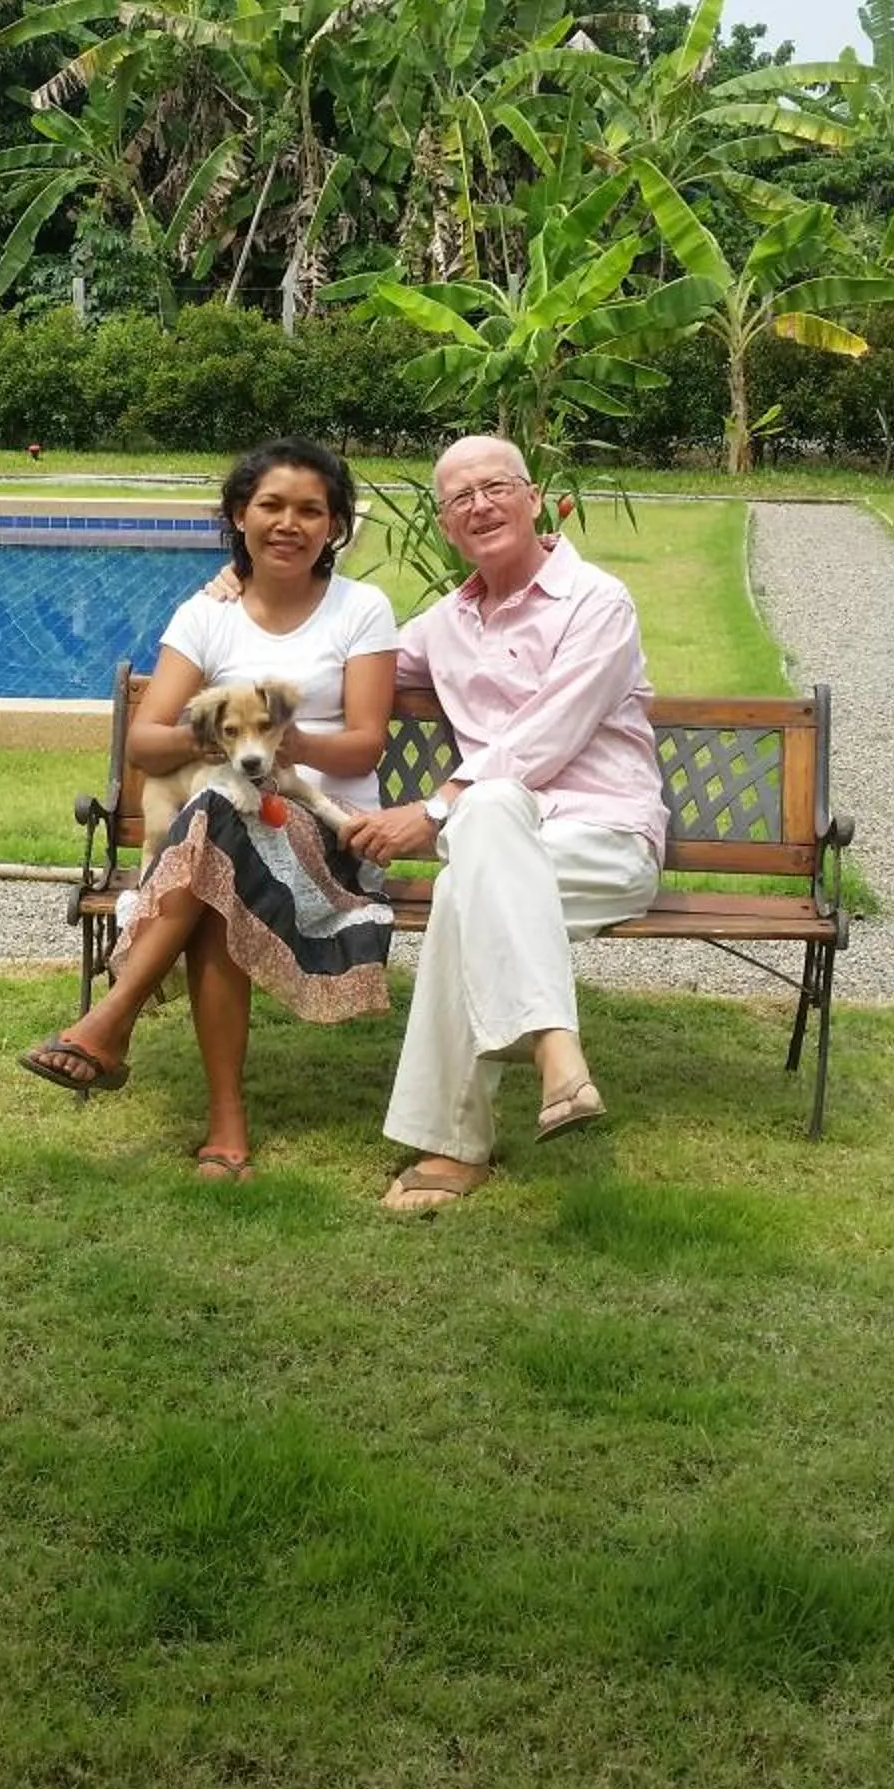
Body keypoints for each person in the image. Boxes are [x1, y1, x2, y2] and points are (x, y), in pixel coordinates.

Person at [19, 438, 399, 1182]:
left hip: (327, 838)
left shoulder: (362, 609)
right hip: (219, 834)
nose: (290, 523)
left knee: (217, 838)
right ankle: (215, 1121)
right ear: (239, 515)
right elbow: (150, 737)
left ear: (334, 527)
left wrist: (279, 744)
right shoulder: (205, 615)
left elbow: (362, 749)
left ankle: (116, 1024)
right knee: (222, 840)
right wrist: (229, 744)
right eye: (272, 506)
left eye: (311, 510)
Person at [344, 435, 666, 1215]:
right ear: (448, 528)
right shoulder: (443, 626)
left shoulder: (597, 601)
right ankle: (559, 1057)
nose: (480, 505)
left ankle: (452, 1144)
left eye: (496, 487)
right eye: (460, 499)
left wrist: (433, 809)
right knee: (475, 860)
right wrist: (238, 587)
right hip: (498, 842)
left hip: (603, 842)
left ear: (534, 498)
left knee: (476, 828)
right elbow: (346, 659)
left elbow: (549, 734)